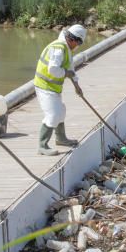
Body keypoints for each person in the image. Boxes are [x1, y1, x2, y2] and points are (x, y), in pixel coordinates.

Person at [34, 24, 86, 156]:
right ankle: (42, 145)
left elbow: (71, 70)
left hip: (53, 87)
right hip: (44, 86)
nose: (78, 46)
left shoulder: (66, 49)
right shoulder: (58, 48)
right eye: (79, 42)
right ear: (73, 39)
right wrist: (66, 73)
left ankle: (61, 138)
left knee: (61, 111)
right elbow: (53, 69)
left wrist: (77, 86)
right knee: (53, 114)